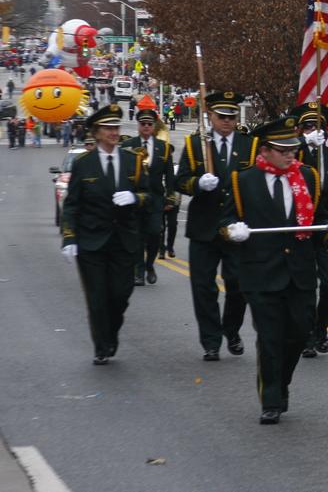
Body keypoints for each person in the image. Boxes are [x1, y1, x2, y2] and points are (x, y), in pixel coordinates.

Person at [219, 115, 328, 424]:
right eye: (283, 149)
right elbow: (224, 221)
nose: (291, 154)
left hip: (299, 271)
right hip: (260, 272)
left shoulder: (308, 178)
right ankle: (271, 398)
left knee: (300, 333)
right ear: (264, 150)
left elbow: (319, 220)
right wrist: (232, 230)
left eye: (293, 148)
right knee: (271, 336)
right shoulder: (242, 181)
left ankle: (281, 381)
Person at [59, 103, 150, 364]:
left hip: (124, 241)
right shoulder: (83, 164)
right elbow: (72, 205)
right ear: (96, 133)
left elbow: (151, 197)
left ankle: (111, 332)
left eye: (116, 127)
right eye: (107, 128)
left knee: (120, 295)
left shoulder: (133, 161)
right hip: (91, 242)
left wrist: (135, 197)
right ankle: (102, 346)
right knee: (97, 298)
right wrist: (69, 238)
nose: (113, 132)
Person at [175, 91, 257, 361]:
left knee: (238, 285)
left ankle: (231, 330)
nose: (227, 121)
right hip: (203, 227)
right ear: (210, 116)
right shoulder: (196, 144)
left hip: (235, 228)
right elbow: (180, 181)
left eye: (231, 117)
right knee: (203, 287)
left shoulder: (250, 146)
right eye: (221, 116)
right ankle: (211, 341)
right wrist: (197, 184)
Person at [289, 101, 328, 359]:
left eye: (318, 126)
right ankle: (306, 336)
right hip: (298, 226)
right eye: (308, 126)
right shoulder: (294, 153)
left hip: (325, 225)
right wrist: (305, 145)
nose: (314, 130)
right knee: (303, 286)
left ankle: (320, 329)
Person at [120, 109, 175, 286]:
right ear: (138, 125)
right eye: (143, 124)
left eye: (149, 124)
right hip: (135, 199)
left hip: (156, 198)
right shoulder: (128, 145)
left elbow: (169, 175)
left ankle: (149, 264)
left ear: (153, 127)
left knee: (154, 234)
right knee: (136, 236)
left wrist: (170, 197)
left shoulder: (163, 147)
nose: (146, 127)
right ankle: (139, 271)